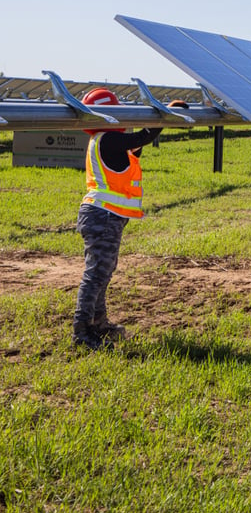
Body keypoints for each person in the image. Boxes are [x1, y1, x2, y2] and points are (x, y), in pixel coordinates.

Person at [73, 88, 162, 349]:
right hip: (101, 215)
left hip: (106, 216)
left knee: (103, 272)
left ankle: (99, 324)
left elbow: (137, 146)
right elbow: (145, 136)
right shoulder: (107, 140)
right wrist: (165, 114)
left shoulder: (108, 142)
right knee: (96, 275)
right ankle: (82, 332)